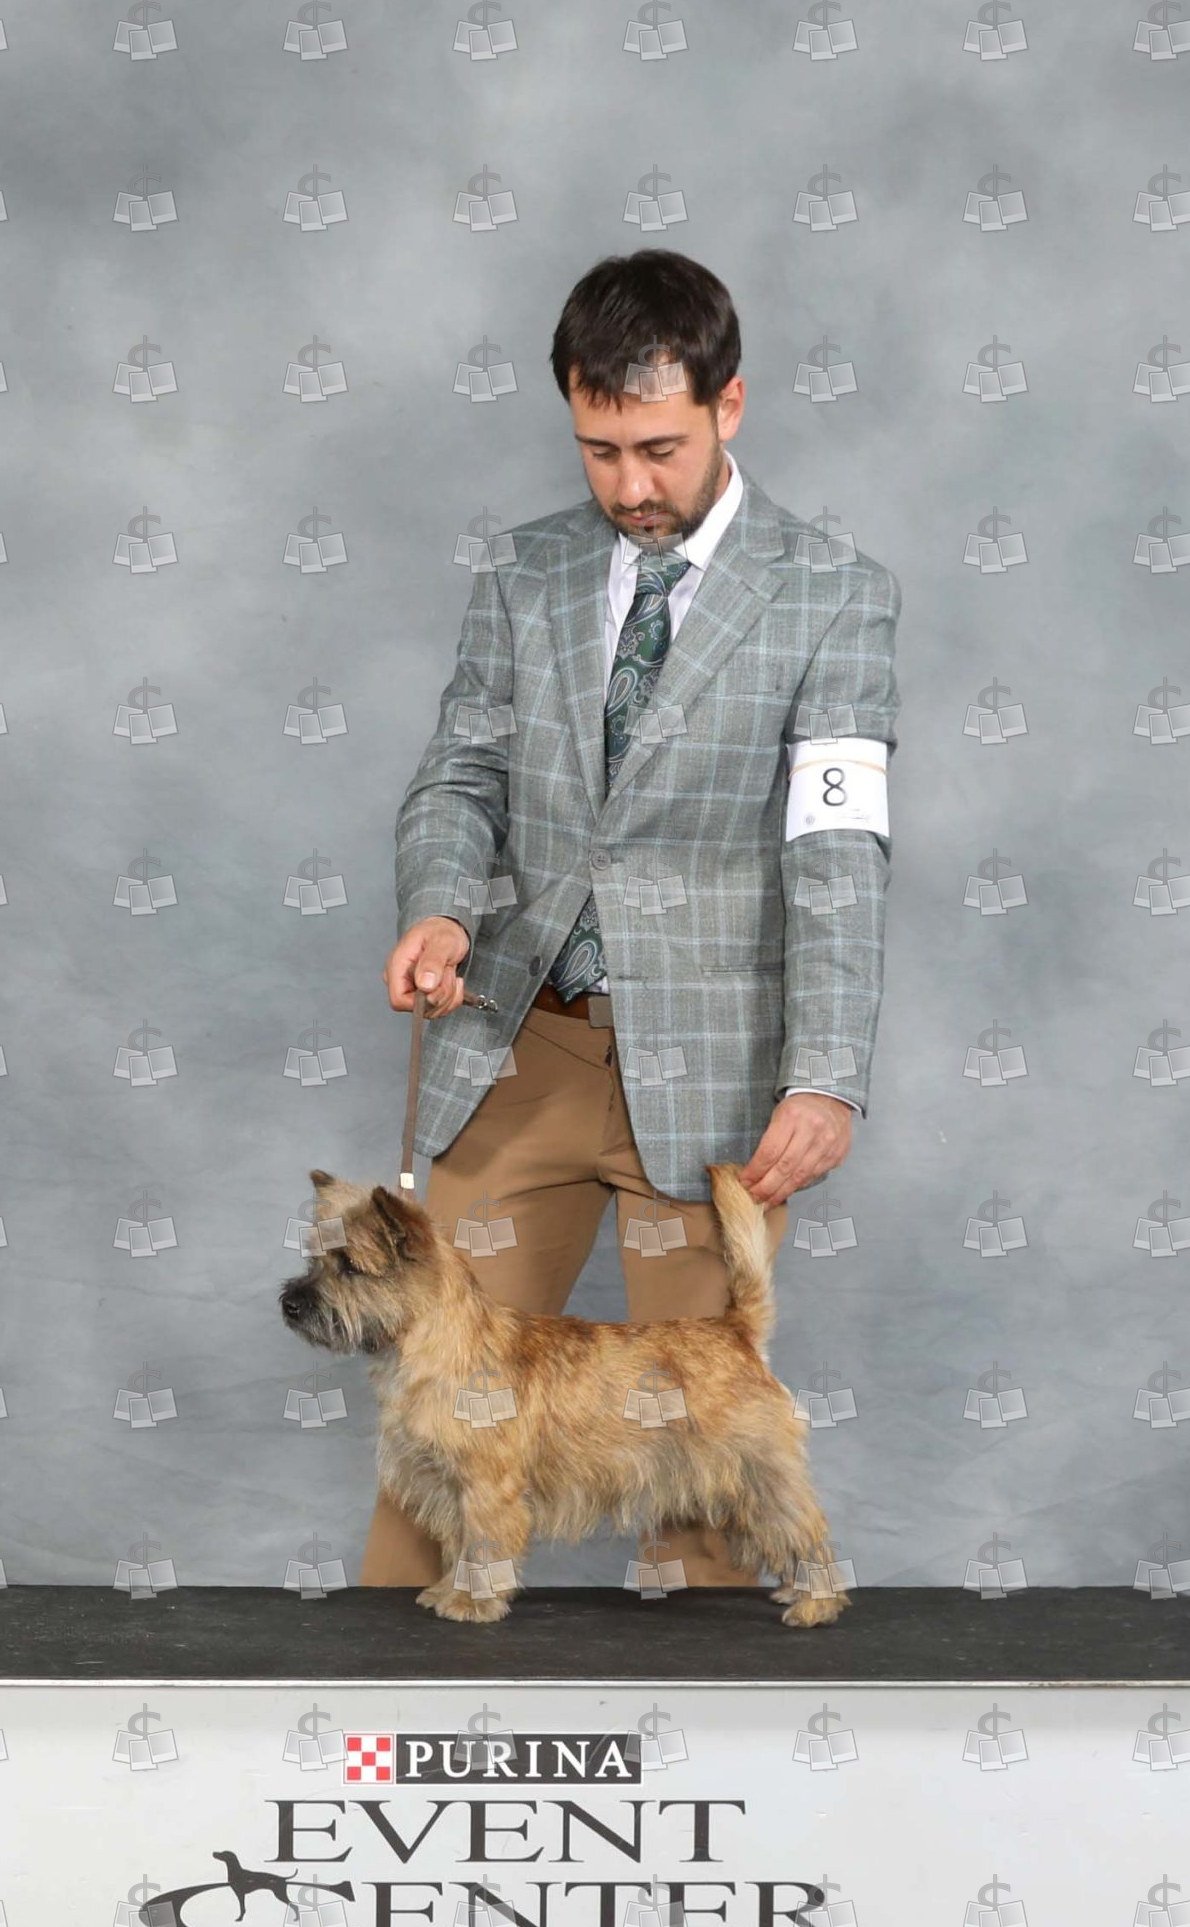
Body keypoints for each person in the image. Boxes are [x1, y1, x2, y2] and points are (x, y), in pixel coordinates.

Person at [361, 248, 902, 1592]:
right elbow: (459, 775)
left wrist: (827, 1075)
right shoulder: (523, 572)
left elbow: (838, 853)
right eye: (599, 451)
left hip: (716, 1084)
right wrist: (440, 907)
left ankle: (699, 1718)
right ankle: (388, 1705)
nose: (631, 488)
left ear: (731, 405)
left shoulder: (834, 593)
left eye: (659, 449)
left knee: (701, 1491)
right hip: (522, 1045)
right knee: (441, 1447)